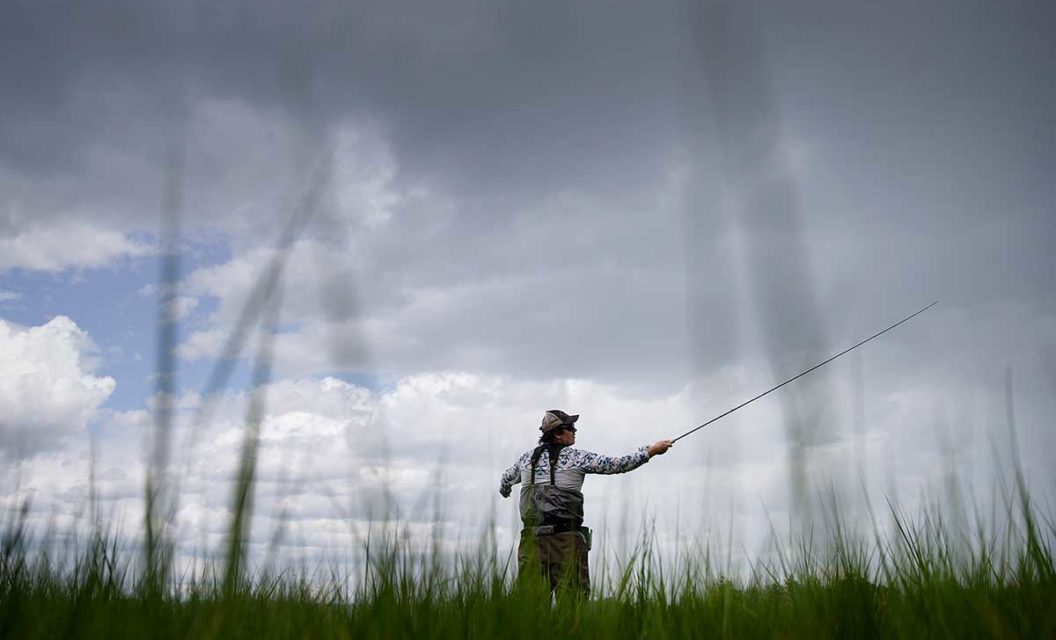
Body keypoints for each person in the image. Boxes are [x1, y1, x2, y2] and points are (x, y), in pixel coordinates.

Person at [499, 409, 673, 597]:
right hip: (565, 541)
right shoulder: (577, 458)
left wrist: (506, 491)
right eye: (570, 427)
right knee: (573, 603)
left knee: (528, 607)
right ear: (558, 434)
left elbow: (506, 480)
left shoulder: (526, 460)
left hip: (530, 542)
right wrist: (651, 451)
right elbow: (618, 464)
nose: (575, 431)